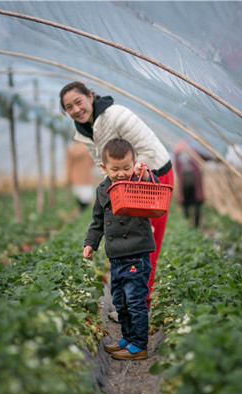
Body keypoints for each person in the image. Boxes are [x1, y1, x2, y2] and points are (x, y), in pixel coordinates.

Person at [60, 81, 174, 308]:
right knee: (127, 239)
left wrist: (134, 177)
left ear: (90, 97)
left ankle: (142, 303)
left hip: (153, 178)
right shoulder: (83, 132)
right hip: (125, 184)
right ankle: (129, 303)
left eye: (78, 102)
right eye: (69, 107)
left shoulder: (117, 115)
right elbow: (101, 162)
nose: (76, 110)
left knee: (147, 240)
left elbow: (148, 150)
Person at [83, 138, 160, 360]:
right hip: (115, 257)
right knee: (120, 301)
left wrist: (144, 174)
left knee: (135, 300)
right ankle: (128, 338)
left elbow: (155, 188)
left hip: (137, 253)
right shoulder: (102, 190)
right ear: (104, 168)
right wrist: (90, 243)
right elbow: (97, 222)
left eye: (126, 168)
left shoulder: (139, 182)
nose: (121, 174)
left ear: (134, 163)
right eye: (115, 169)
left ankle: (139, 345)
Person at [174, 140, 206, 228]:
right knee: (189, 204)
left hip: (192, 184)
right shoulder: (179, 156)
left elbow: (204, 157)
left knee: (193, 204)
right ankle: (189, 224)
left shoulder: (192, 153)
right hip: (187, 184)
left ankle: (193, 225)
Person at [66, 141, 95, 211]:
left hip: (75, 179)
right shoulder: (87, 149)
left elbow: (68, 166)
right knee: (88, 202)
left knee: (80, 203)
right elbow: (92, 162)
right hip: (86, 178)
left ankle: (79, 215)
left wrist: (68, 179)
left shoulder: (71, 150)